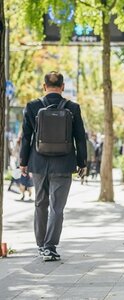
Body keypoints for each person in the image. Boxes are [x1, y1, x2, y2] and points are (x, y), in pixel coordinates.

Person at [19, 71, 87, 261]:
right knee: (57, 208)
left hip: (38, 163)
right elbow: (80, 138)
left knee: (40, 204)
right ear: (63, 87)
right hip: (64, 164)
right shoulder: (72, 107)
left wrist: (23, 162)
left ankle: (41, 246)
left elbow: (26, 137)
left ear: (44, 86)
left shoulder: (32, 106)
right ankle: (50, 246)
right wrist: (82, 163)